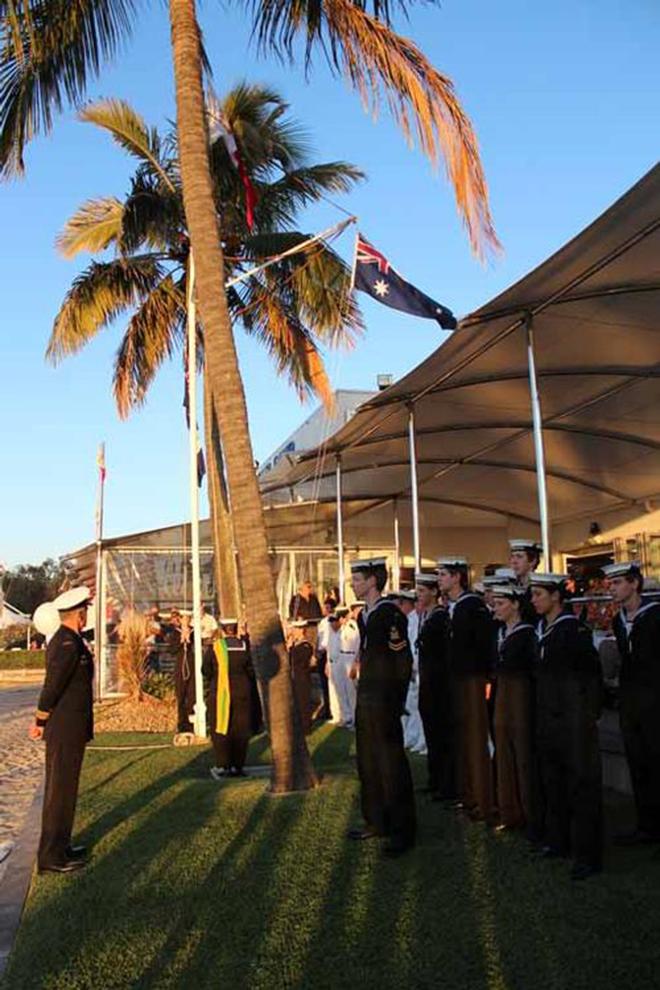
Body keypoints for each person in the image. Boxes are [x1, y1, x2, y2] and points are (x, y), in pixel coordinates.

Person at [531, 573, 603, 880]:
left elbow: (591, 676)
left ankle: (587, 854)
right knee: (554, 782)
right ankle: (558, 841)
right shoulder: (544, 630)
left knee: (580, 785)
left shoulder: (573, 631)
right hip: (549, 717)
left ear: (556, 597)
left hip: (573, 719)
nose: (533, 600)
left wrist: (585, 714)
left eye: (538, 594)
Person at [348, 558, 416, 857]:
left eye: (358, 579)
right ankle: (376, 820)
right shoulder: (366, 615)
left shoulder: (389, 615)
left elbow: (402, 661)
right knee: (368, 761)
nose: (353, 584)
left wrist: (395, 700)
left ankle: (402, 831)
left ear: (373, 581)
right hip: (367, 697)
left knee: (391, 765)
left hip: (385, 699)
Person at [30, 587, 94, 874]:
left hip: (71, 727)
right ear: (79, 615)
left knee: (65, 790)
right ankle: (51, 857)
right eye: (85, 612)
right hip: (64, 728)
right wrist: (40, 720)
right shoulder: (66, 643)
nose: (86, 616)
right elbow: (52, 686)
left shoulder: (70, 640)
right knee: (60, 791)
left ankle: (61, 845)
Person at [437, 557, 496, 824]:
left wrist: (486, 678)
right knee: (461, 739)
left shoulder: (472, 605)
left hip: (472, 679)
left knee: (475, 740)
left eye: (443, 574)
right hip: (456, 680)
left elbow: (483, 644)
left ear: (457, 577)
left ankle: (483, 801)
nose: (439, 579)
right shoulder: (453, 607)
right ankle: (468, 795)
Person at [605, 562, 660, 845]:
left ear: (634, 584)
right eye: (611, 584)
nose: (612, 589)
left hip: (654, 701)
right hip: (631, 702)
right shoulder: (619, 620)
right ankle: (647, 824)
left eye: (617, 583)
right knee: (638, 763)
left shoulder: (654, 616)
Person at [491, 584, 537, 831]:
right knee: (504, 753)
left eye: (500, 604)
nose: (495, 608)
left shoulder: (527, 634)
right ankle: (509, 811)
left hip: (520, 695)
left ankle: (530, 814)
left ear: (516, 604)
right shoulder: (500, 633)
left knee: (522, 755)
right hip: (502, 695)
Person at [416, 573, 454, 798]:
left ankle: (446, 784)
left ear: (433, 592)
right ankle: (434, 779)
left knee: (441, 735)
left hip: (439, 683)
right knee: (431, 733)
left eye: (422, 591)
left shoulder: (440, 617)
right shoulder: (427, 616)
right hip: (427, 681)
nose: (418, 595)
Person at [203, 619, 256, 778]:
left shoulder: (216, 648)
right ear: (234, 629)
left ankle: (223, 765)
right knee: (240, 729)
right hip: (242, 693)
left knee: (221, 728)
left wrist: (216, 679)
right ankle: (237, 766)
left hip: (220, 693)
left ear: (223, 630)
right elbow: (251, 669)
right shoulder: (245, 647)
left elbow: (205, 669)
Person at [402, 587, 427, 757]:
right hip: (413, 668)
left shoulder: (419, 619)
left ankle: (423, 740)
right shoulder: (411, 620)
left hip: (420, 668)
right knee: (411, 706)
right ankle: (414, 737)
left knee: (420, 707)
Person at [327, 607, 359, 727]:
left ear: (342, 619)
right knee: (341, 690)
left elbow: (357, 646)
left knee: (351, 691)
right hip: (340, 659)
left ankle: (355, 718)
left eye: (335, 621)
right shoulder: (337, 632)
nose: (332, 624)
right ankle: (346, 717)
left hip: (350, 659)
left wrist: (356, 664)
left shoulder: (352, 628)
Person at [172, 612, 196, 734]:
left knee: (192, 696)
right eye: (184, 618)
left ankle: (192, 724)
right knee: (181, 696)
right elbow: (172, 649)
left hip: (191, 665)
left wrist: (189, 639)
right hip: (180, 665)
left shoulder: (194, 632)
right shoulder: (175, 632)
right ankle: (182, 724)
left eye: (188, 618)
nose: (186, 621)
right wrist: (181, 641)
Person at [289, 620, 314, 734]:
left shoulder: (305, 645)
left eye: (295, 629)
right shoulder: (295, 645)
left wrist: (290, 648)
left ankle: (306, 727)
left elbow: (299, 660)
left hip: (302, 678)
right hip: (295, 677)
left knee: (303, 702)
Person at [509, 539, 542, 623]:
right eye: (512, 557)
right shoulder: (512, 586)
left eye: (519, 557)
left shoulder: (539, 588)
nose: (514, 561)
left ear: (533, 561)